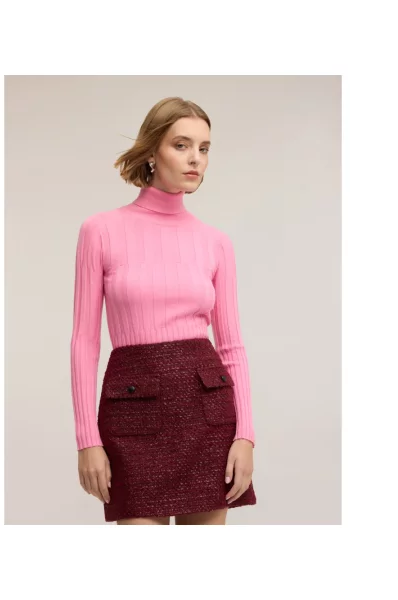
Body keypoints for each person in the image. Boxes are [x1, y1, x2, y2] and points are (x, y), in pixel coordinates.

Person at [70, 96, 256, 525]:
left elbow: (232, 347)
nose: (195, 159)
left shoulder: (215, 242)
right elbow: (84, 341)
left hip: (208, 414)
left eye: (204, 148)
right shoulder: (100, 230)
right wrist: (87, 439)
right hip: (133, 411)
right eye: (181, 145)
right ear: (152, 151)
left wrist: (245, 435)